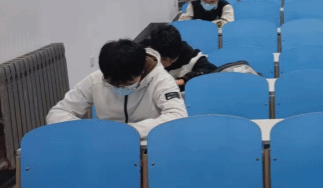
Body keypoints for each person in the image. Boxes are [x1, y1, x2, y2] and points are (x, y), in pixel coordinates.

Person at [46, 39, 187, 140]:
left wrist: (129, 131)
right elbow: (58, 112)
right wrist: (85, 130)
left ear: (141, 71)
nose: (120, 88)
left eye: (128, 84)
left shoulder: (161, 80)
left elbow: (178, 116)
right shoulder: (96, 79)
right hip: (106, 146)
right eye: (112, 85)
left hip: (146, 147)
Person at [144, 24, 216, 89]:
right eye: (163, 60)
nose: (167, 64)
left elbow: (211, 71)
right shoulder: (144, 53)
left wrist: (183, 80)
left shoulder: (190, 55)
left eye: (172, 60)